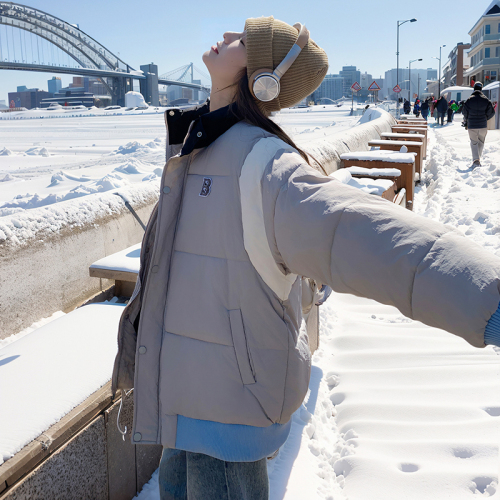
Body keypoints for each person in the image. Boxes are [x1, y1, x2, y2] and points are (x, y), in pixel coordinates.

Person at [111, 17, 500, 500]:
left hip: (229, 414)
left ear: (264, 75)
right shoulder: (198, 147)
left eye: (243, 40)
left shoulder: (265, 164)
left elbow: (368, 235)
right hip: (182, 403)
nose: (226, 37)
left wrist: (489, 302)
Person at [462, 81, 495, 167]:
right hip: (483, 125)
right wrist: (485, 118)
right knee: (481, 142)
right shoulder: (486, 100)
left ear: (474, 89)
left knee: (474, 142)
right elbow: (491, 112)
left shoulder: (469, 100)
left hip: (472, 125)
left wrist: (467, 119)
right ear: (481, 89)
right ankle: (478, 158)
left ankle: (476, 160)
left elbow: (464, 112)